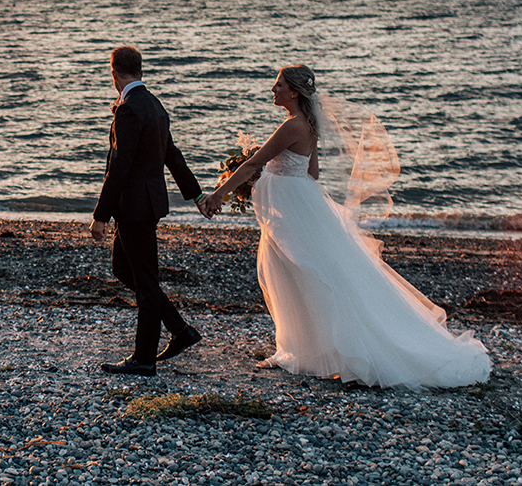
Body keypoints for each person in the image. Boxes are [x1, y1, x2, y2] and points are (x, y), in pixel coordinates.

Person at [201, 65, 490, 389]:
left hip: (293, 210)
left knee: (300, 274)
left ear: (294, 92)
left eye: (278, 84)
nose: (273, 89)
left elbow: (253, 163)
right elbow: (313, 174)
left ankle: (311, 351)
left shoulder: (291, 126)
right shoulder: (308, 126)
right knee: (308, 273)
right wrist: (276, 174)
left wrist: (219, 193)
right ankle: (303, 350)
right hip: (303, 204)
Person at [92, 46, 206, 376]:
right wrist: (196, 194)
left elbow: (120, 166)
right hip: (148, 203)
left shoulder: (129, 109)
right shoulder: (154, 105)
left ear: (113, 73)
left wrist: (101, 214)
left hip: (135, 208)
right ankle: (180, 329)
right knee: (123, 269)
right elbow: (172, 154)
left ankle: (144, 358)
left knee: (144, 280)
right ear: (140, 71)